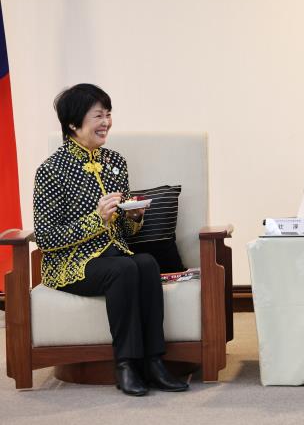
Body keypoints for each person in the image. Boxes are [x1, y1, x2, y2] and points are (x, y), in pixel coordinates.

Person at [33, 84, 189, 396]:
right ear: (73, 124)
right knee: (126, 269)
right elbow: (46, 237)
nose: (106, 122)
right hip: (71, 264)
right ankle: (126, 365)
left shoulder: (116, 161)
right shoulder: (51, 171)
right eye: (98, 116)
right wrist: (97, 219)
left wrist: (134, 217)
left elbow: (125, 233)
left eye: (108, 114)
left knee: (147, 263)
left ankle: (154, 362)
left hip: (115, 255)